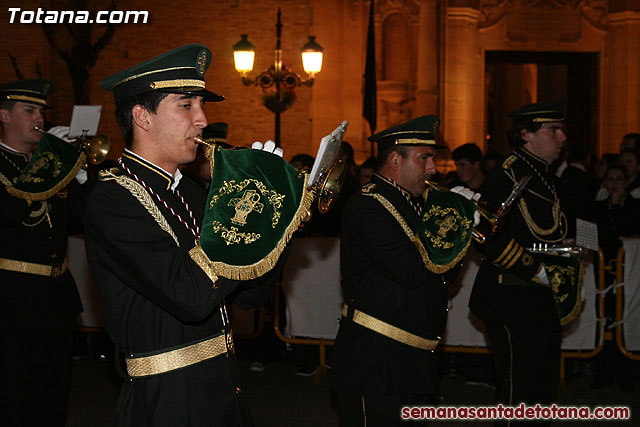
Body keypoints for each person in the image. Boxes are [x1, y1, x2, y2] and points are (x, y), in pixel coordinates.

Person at [84, 44, 289, 427]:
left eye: (201, 107)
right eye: (186, 106)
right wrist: (240, 211)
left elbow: (252, 297)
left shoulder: (194, 192)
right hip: (167, 400)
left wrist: (276, 213)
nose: (202, 120)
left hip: (224, 386)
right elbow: (190, 295)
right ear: (142, 116)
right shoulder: (113, 198)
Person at [331, 115, 478, 426]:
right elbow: (411, 270)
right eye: (424, 158)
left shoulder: (417, 204)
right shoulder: (367, 206)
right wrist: (452, 228)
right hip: (377, 359)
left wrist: (459, 229)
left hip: (416, 357)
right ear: (395, 160)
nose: (433, 169)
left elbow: (444, 274)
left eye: (433, 158)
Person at [470, 101, 570, 423]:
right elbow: (486, 236)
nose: (562, 137)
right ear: (526, 134)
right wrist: (535, 269)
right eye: (553, 130)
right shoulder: (507, 176)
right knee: (519, 391)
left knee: (543, 388)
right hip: (511, 296)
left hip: (538, 296)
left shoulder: (540, 175)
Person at [0, 79, 86, 425]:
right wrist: (52, 163)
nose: (39, 119)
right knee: (14, 393)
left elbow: (80, 223)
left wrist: (80, 178)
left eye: (41, 112)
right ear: (3, 115)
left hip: (56, 298)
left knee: (53, 392)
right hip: (12, 300)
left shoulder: (45, 165)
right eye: (29, 111)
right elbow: (11, 211)